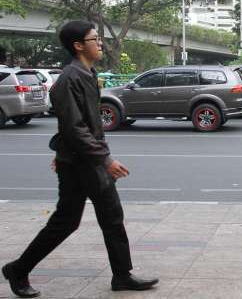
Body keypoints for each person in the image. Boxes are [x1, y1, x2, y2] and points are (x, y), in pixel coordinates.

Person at [2, 21, 158, 298]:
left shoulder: (85, 73)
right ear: (78, 45)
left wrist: (65, 152)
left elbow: (75, 125)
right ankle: (18, 269)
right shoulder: (70, 78)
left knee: (108, 217)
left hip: (83, 160)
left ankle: (122, 275)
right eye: (95, 39)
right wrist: (105, 159)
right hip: (82, 163)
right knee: (69, 221)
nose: (100, 43)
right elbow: (74, 127)